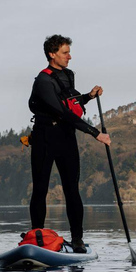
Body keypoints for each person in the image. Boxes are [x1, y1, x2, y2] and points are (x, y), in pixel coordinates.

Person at [27, 35, 111, 253]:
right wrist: (95, 133)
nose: (69, 56)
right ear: (52, 54)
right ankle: (37, 238)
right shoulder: (42, 81)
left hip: (66, 138)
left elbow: (69, 103)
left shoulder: (68, 75)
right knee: (40, 189)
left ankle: (77, 239)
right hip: (45, 138)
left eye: (69, 52)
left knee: (72, 189)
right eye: (65, 52)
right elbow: (61, 111)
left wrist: (89, 97)